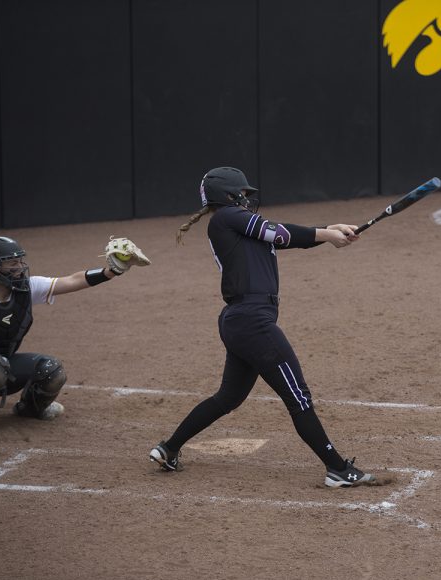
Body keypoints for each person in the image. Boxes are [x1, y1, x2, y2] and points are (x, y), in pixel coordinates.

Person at [148, 167, 377, 488]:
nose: (246, 200)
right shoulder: (226, 217)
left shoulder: (241, 228)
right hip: (252, 322)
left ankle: (168, 448)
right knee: (298, 397)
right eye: (241, 195)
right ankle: (337, 469)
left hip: (242, 321)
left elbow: (291, 238)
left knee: (228, 398)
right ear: (227, 197)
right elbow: (281, 233)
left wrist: (330, 230)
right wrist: (327, 234)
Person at [0, 235, 149, 437]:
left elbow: (71, 281)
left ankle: (30, 408)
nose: (19, 267)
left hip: (2, 364)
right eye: (11, 263)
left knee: (51, 369)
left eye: (20, 261)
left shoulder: (27, 288)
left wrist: (109, 272)